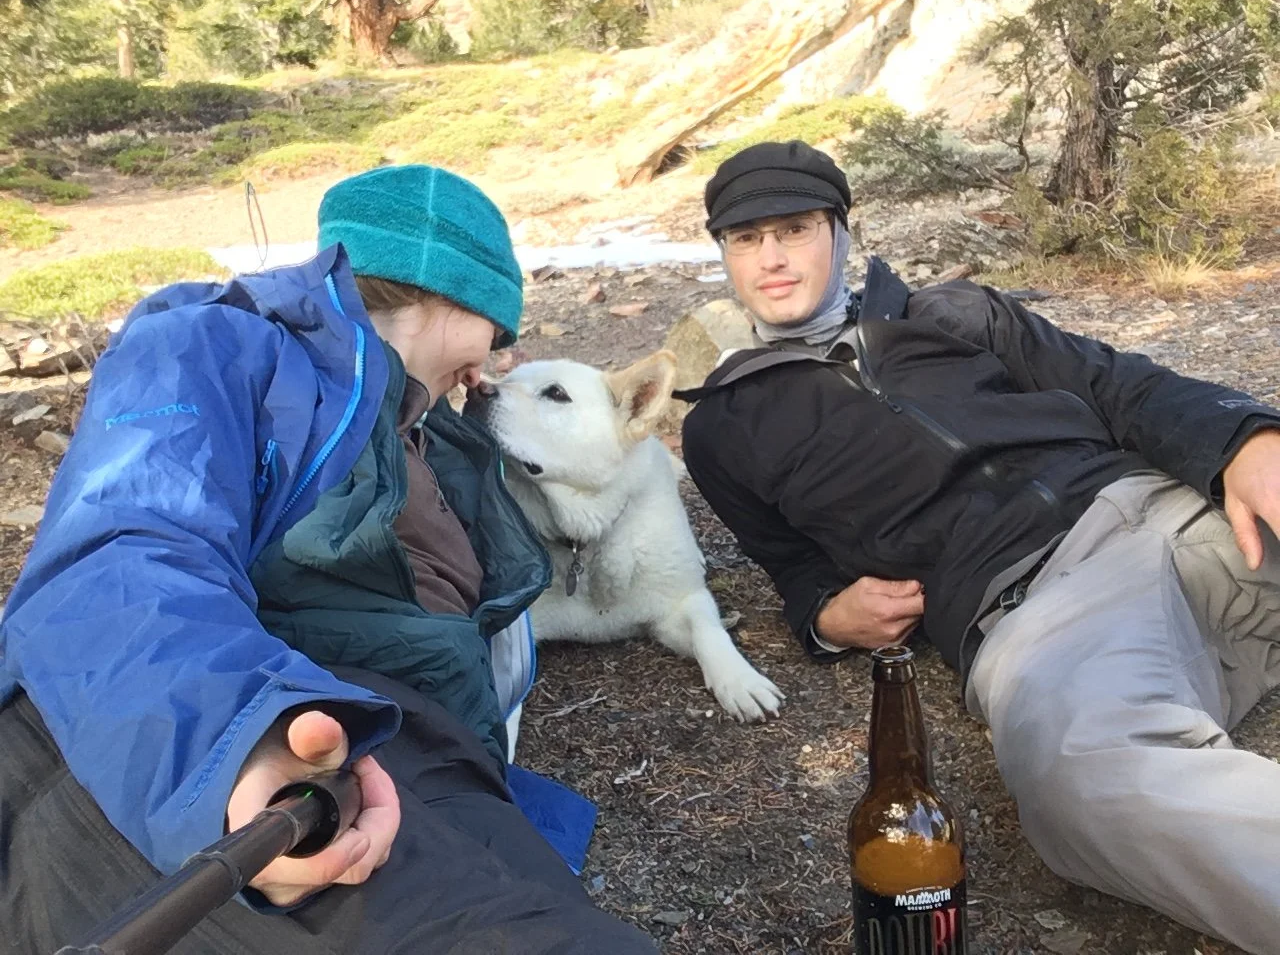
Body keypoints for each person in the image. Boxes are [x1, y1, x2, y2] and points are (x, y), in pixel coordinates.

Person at [0, 164, 656, 954]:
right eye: (497, 333)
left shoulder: (430, 434)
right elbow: (125, 547)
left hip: (416, 753)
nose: (488, 370)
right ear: (454, 293)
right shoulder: (217, 341)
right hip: (216, 737)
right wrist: (235, 740)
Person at [674, 139, 1280, 954]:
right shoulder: (724, 427)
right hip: (1046, 611)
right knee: (1084, 783)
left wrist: (1242, 440)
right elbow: (791, 566)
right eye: (746, 238)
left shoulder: (954, 313)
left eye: (795, 229)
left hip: (1172, 507)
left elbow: (1115, 382)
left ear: (842, 233)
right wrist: (826, 616)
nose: (771, 257)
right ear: (723, 253)